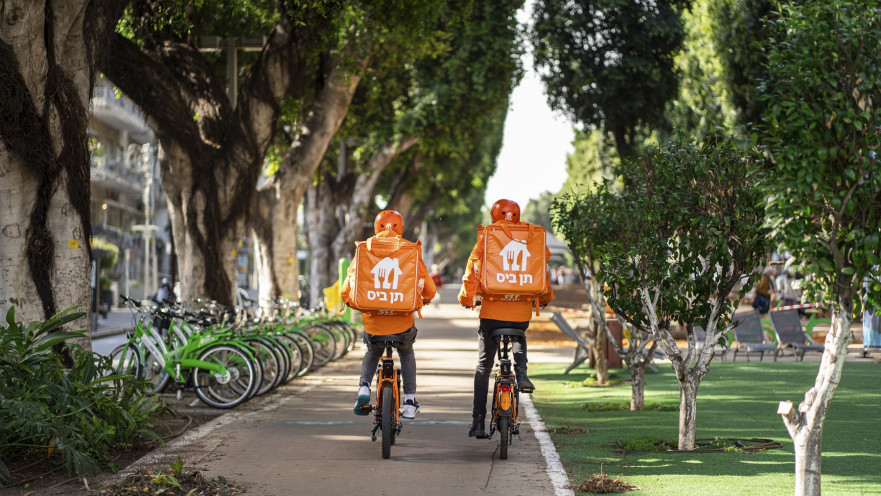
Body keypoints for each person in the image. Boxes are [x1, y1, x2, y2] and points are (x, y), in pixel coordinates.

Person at [458, 199, 554, 438]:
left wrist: (467, 299)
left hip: (491, 314)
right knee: (519, 333)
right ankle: (521, 373)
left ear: (494, 215)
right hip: (521, 314)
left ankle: (478, 422)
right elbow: (541, 272)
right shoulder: (531, 237)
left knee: (483, 367)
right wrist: (544, 298)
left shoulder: (488, 236)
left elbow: (472, 271)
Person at [341, 210, 436, 419]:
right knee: (407, 353)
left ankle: (364, 387)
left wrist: (349, 300)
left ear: (377, 227)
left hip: (374, 325)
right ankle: (409, 401)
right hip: (402, 326)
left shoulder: (364, 249)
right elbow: (430, 289)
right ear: (400, 227)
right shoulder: (410, 250)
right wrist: (424, 299)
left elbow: (347, 287)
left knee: (372, 351)